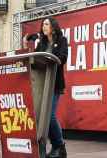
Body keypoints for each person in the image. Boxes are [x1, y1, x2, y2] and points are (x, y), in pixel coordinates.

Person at [23, 17, 68, 158]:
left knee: (49, 116)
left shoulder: (61, 40)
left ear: (53, 27)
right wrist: (26, 47)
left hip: (54, 83)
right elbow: (35, 61)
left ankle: (59, 146)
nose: (44, 26)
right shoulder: (41, 43)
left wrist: (49, 58)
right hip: (41, 84)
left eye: (47, 24)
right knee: (41, 116)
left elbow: (63, 58)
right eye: (43, 24)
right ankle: (54, 148)